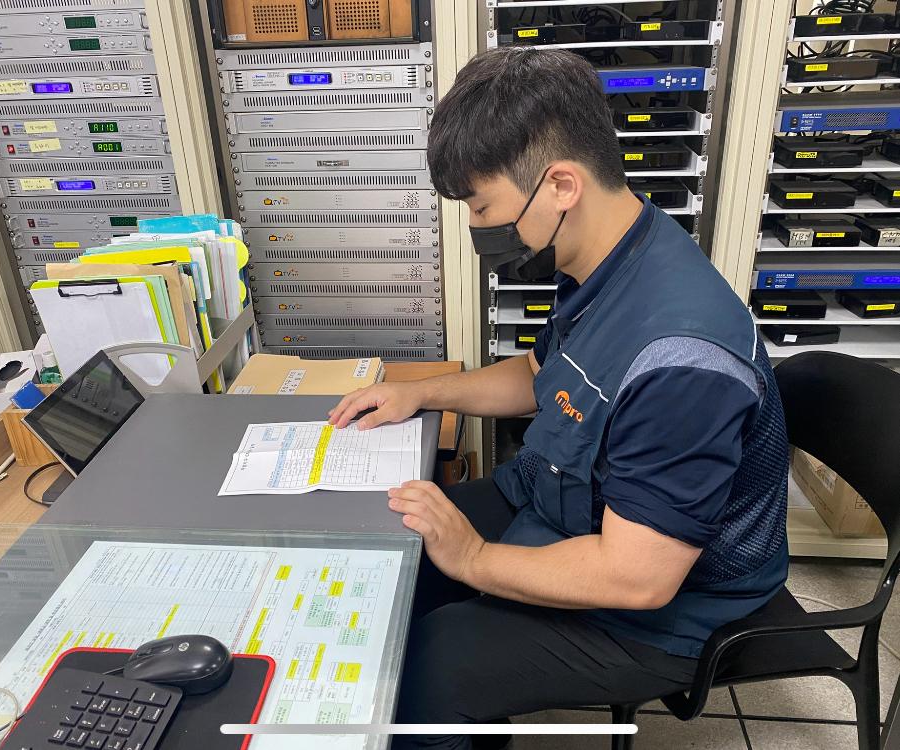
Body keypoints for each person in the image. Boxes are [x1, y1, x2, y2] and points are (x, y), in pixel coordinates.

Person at [328, 47, 789, 750]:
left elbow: (637, 579)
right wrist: (418, 393)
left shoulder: (681, 362)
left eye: (482, 205)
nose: (477, 224)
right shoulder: (612, 253)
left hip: (669, 605)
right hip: (563, 499)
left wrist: (473, 558)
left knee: (428, 670)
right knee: (387, 565)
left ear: (561, 186)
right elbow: (539, 373)